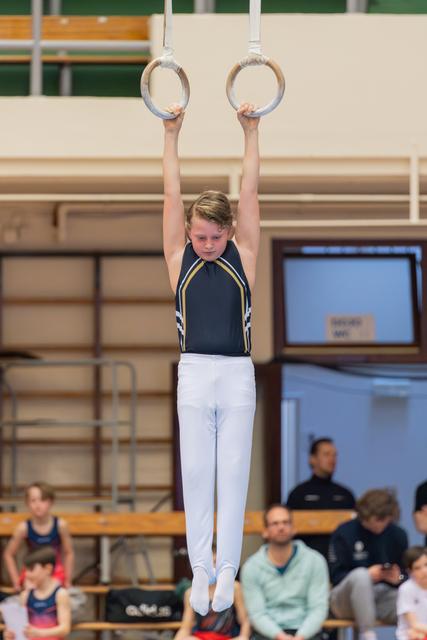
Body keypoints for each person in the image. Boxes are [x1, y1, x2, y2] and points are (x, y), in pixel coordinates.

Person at [162, 102, 260, 615]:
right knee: (197, 476)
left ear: (229, 233)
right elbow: (171, 196)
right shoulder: (178, 257)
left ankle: (227, 570)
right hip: (195, 374)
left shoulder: (244, 251)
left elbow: (249, 192)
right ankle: (200, 567)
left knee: (233, 476)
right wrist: (171, 135)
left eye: (214, 237)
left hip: (238, 375)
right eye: (199, 236)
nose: (204, 245)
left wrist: (251, 131)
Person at [241, 504, 329, 640]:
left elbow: (318, 608)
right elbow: (257, 614)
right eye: (274, 523)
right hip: (268, 634)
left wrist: (300, 637)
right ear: (265, 531)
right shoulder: (251, 567)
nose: (281, 527)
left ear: (293, 528)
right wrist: (280, 637)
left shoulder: (315, 560)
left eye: (285, 522)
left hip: (306, 633)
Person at [329, 488, 408, 640]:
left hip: (382, 597)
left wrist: (399, 578)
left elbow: (406, 575)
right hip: (346, 600)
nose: (374, 525)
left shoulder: (398, 535)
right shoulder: (344, 532)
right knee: (361, 575)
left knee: (413, 597)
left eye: (380, 521)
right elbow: (336, 576)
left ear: (388, 518)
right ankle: (368, 635)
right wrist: (369, 576)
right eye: (368, 520)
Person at [287, 437, 356, 559]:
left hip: (340, 558)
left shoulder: (345, 494)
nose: (332, 459)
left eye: (335, 455)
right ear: (312, 459)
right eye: (326, 454)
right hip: (306, 559)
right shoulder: (299, 494)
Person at [4, 482, 74, 591]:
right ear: (27, 503)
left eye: (42, 500)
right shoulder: (23, 528)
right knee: (29, 589)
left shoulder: (60, 525)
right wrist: (16, 582)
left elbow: (68, 552)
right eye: (33, 500)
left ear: (51, 502)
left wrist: (68, 580)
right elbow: (8, 554)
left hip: (55, 571)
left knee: (55, 590)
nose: (38, 505)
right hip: (32, 572)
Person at [174, 548, 250, 640]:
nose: (212, 568)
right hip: (201, 637)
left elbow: (245, 620)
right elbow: (185, 628)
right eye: (207, 564)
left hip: (225, 637)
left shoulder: (233, 587)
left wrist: (244, 637)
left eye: (215, 563)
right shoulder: (191, 592)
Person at [4, 546, 71, 640]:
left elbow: (65, 629)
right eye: (25, 570)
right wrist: (11, 635)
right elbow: (21, 628)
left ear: (48, 569)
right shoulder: (25, 595)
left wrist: (40, 633)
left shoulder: (60, 594)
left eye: (31, 569)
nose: (27, 574)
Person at [396, 546, 427, 640]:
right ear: (410, 572)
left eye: (426, 564)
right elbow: (414, 625)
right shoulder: (406, 589)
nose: (424, 571)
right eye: (417, 568)